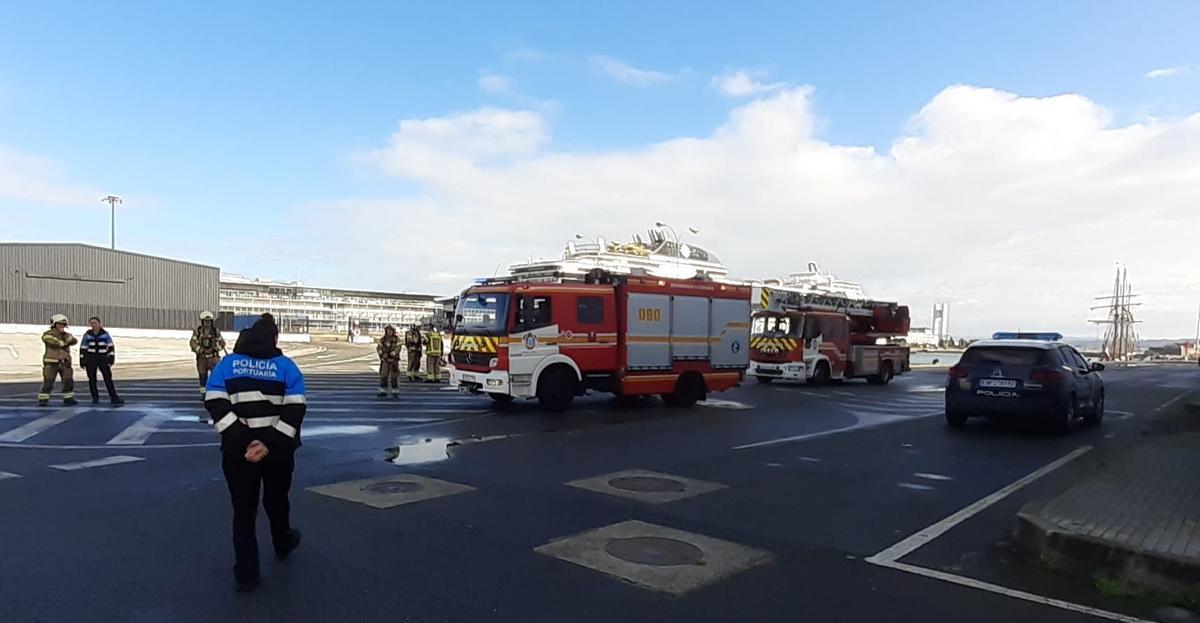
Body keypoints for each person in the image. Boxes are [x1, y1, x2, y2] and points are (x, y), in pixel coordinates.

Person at [204, 317, 305, 592]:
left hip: (238, 454)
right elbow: (295, 411)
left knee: (244, 512)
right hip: (278, 452)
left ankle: (247, 574)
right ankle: (282, 541)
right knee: (277, 500)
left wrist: (246, 442)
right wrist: (266, 444)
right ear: (274, 339)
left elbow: (215, 404)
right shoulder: (287, 367)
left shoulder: (227, 365)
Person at [79, 316, 124, 406]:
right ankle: (95, 398)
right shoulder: (87, 335)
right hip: (91, 359)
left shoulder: (105, 334)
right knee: (92, 379)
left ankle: (114, 398)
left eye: (95, 323)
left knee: (108, 379)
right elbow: (83, 348)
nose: (93, 325)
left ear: (99, 324)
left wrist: (111, 360)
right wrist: (82, 361)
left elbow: (111, 348)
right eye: (91, 323)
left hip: (103, 358)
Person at [38, 314, 78, 407]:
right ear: (54, 324)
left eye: (64, 325)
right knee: (48, 382)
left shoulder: (66, 335)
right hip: (51, 362)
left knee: (68, 381)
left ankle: (68, 399)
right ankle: (43, 400)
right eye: (60, 324)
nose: (62, 326)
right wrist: (65, 342)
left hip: (65, 362)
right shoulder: (48, 334)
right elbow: (53, 342)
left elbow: (74, 340)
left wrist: (67, 340)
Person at [190, 311, 226, 399]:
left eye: (209, 321)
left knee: (217, 376)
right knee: (202, 378)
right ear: (202, 322)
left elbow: (222, 343)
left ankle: (217, 393)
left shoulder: (216, 331)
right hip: (202, 359)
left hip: (213, 358)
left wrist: (216, 349)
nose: (207, 323)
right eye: (206, 321)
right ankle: (203, 394)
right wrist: (200, 350)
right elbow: (192, 343)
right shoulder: (197, 332)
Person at [376, 325, 402, 397]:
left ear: (393, 331)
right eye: (388, 330)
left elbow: (399, 347)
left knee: (394, 377)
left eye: (391, 330)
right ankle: (383, 391)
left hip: (394, 361)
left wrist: (394, 352)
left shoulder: (397, 339)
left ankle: (395, 391)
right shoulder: (382, 339)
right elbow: (378, 348)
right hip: (385, 360)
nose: (389, 332)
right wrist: (381, 352)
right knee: (383, 376)